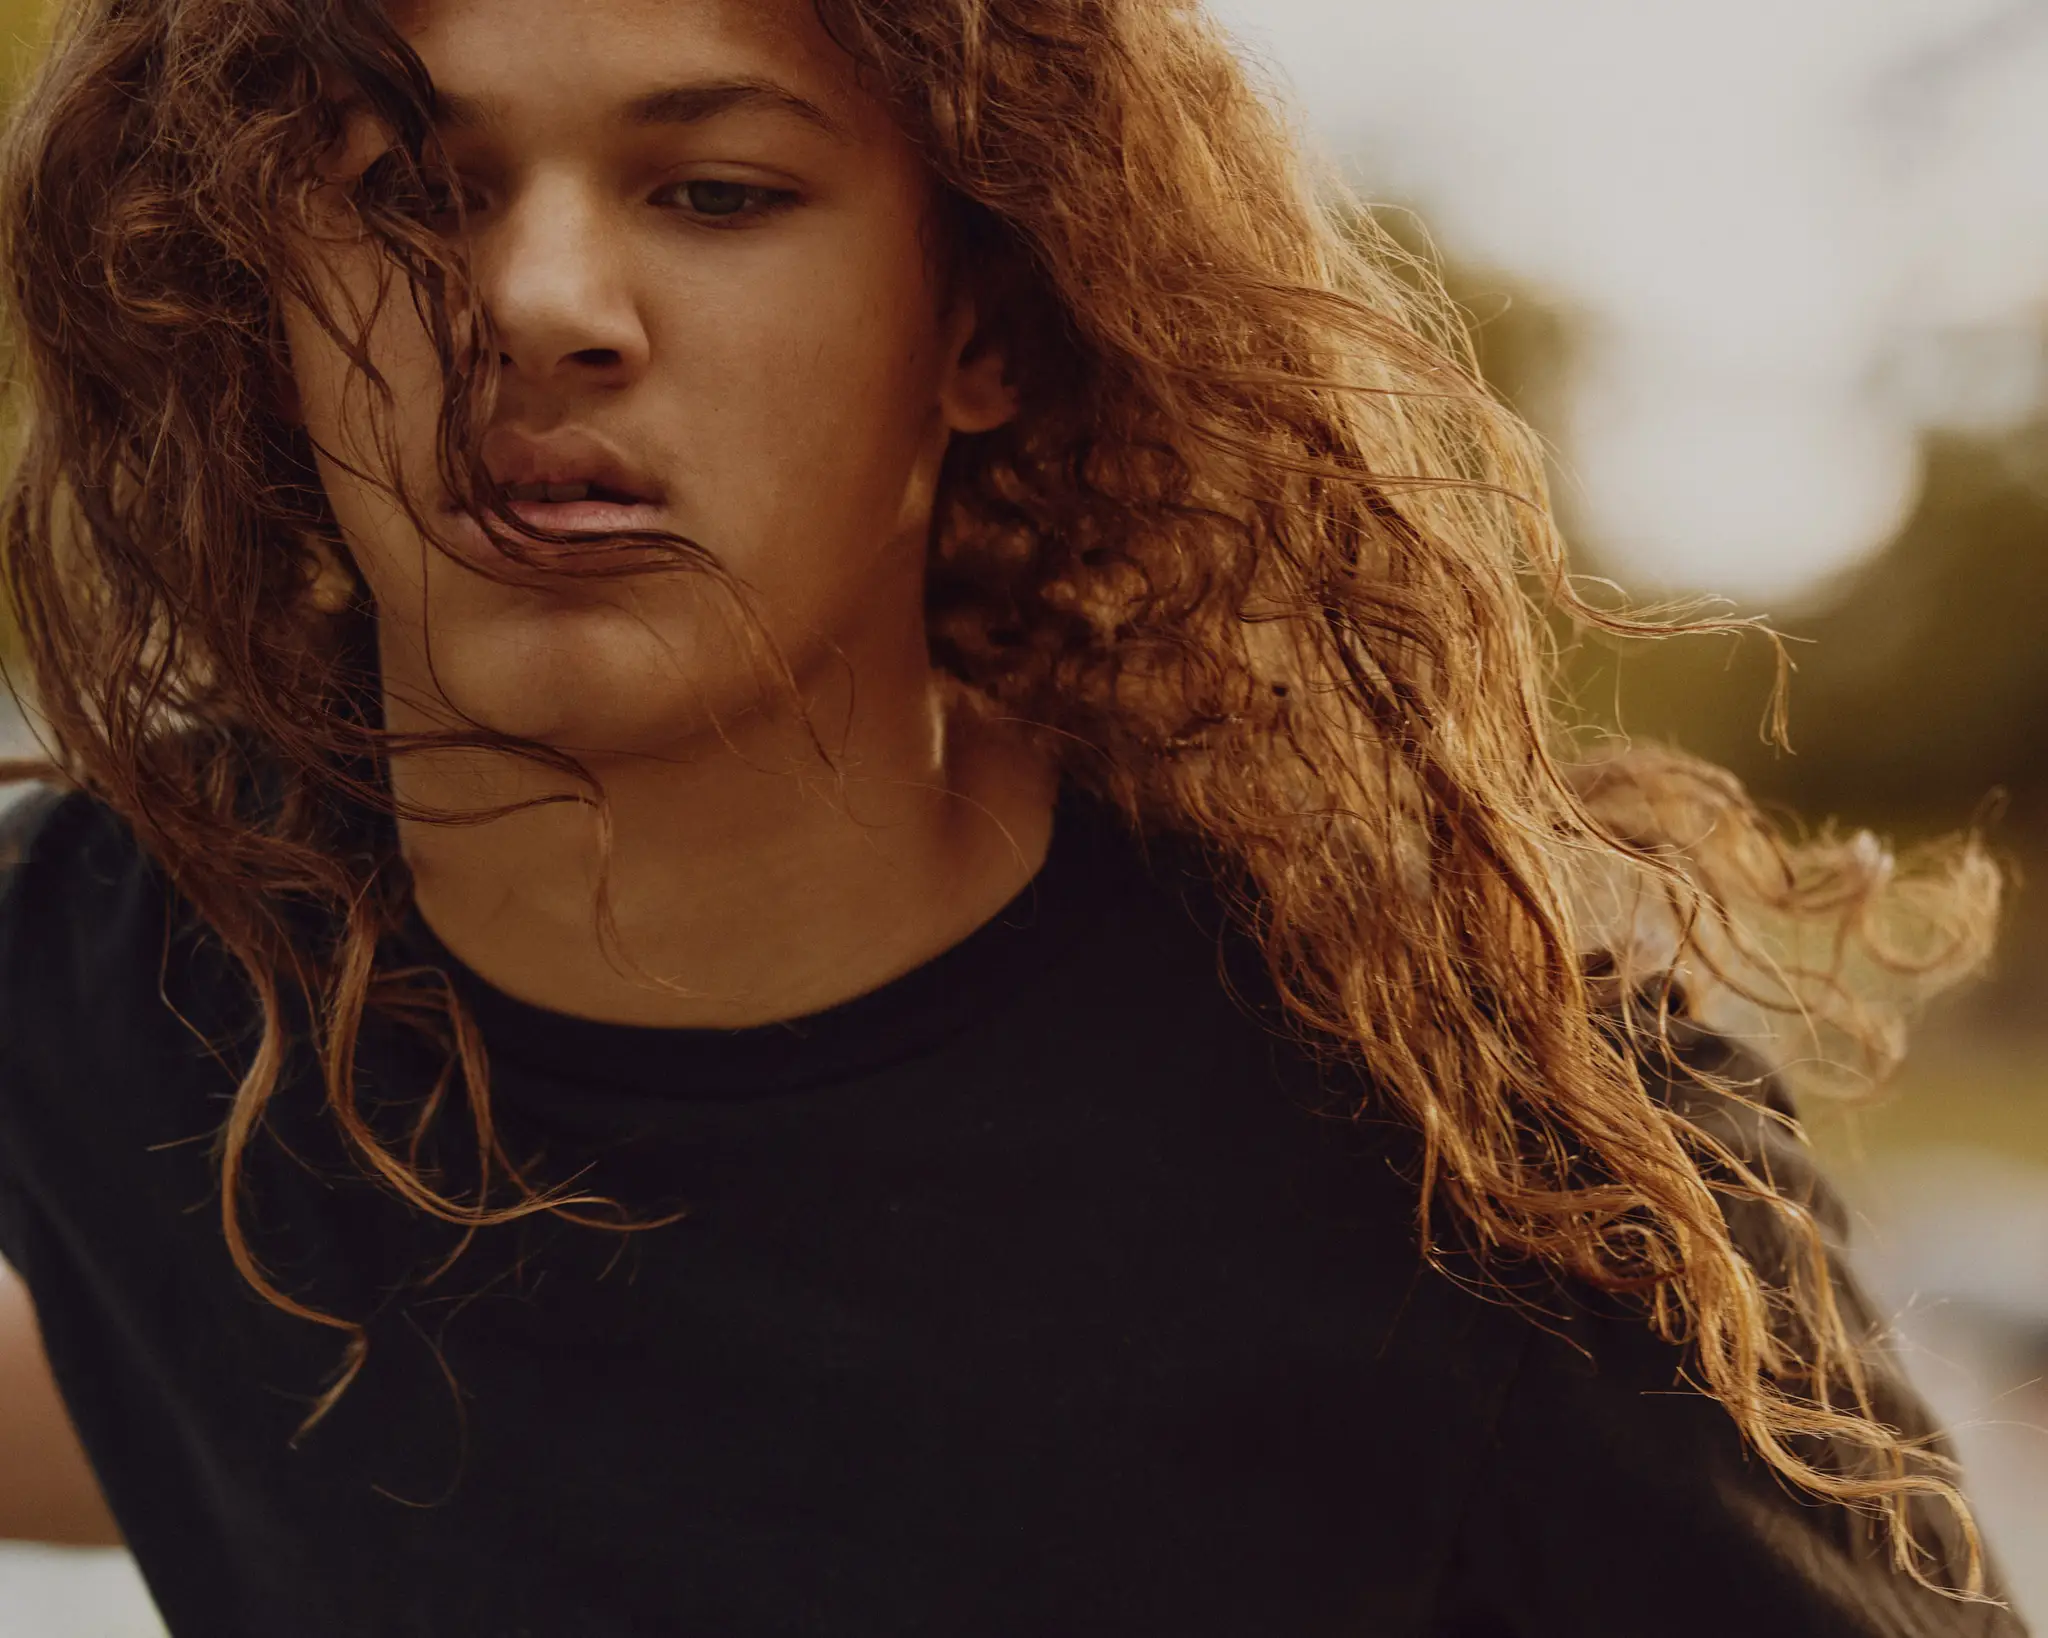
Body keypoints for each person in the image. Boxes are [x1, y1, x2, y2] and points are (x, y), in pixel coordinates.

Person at [0, 0, 2022, 1633]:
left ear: (984, 326)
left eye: (714, 188)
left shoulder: (1484, 1172)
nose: (535, 298)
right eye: (415, 191)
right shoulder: (111, 1000)